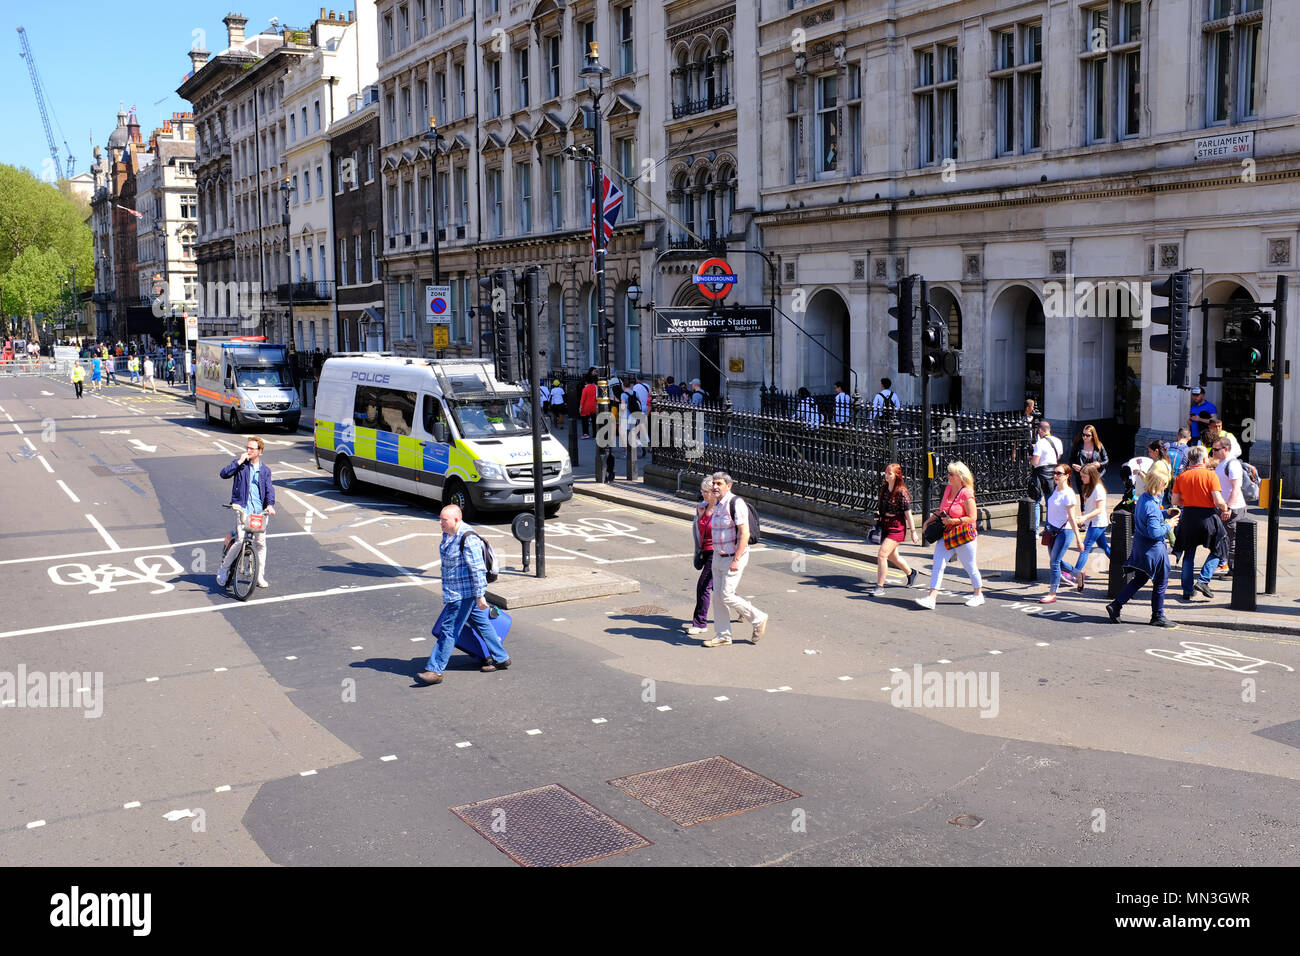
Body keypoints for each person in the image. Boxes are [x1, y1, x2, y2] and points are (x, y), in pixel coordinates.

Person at [417, 505, 511, 684]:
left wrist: (480, 595)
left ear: (456, 519)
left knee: (449, 630)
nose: (440, 522)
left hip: (462, 594)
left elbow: (478, 570)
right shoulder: (448, 534)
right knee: (482, 624)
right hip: (456, 591)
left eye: (444, 519)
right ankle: (501, 657)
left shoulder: (468, 539)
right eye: (440, 518)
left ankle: (435, 670)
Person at [1105, 463, 1176, 627]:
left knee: (1140, 579)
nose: (1165, 488)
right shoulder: (1151, 505)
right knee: (1161, 582)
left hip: (1141, 547)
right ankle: (1157, 616)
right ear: (1158, 485)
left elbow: (1149, 517)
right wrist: (1169, 525)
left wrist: (1165, 513)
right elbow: (1155, 532)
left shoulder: (1143, 498)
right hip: (1154, 550)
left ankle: (1116, 605)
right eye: (1164, 485)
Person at [703, 472, 769, 647]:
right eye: (714, 483)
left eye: (719, 483)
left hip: (733, 557)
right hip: (718, 556)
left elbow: (744, 533)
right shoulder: (717, 504)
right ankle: (723, 635)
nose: (715, 487)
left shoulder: (736, 503)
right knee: (718, 597)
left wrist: (736, 559)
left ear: (728, 486)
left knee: (726, 595)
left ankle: (758, 618)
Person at [916, 462, 985, 609]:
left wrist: (953, 521)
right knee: (937, 565)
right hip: (946, 534)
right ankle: (931, 598)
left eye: (951, 474)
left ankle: (978, 594)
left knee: (970, 567)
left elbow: (973, 518)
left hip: (963, 536)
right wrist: (928, 521)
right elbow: (942, 511)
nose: (947, 476)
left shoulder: (967, 493)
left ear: (960, 477)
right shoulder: (948, 489)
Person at [1171, 445, 1231, 601]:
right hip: (1207, 516)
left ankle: (1187, 590)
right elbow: (1218, 500)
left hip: (1188, 517)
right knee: (1220, 546)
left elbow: (1175, 501)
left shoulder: (1181, 476)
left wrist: (1189, 501)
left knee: (1188, 553)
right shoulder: (1210, 475)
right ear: (1204, 459)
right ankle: (1204, 580)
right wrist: (1226, 508)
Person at [216, 437, 276, 590]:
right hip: (243, 509)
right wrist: (238, 462)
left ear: (259, 451)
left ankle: (259, 575)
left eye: (252, 449)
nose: (248, 451)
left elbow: (269, 490)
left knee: (260, 544)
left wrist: (270, 505)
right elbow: (224, 474)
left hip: (259, 512)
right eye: (247, 447)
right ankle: (223, 569)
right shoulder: (241, 465)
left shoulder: (265, 471)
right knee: (240, 540)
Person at [1040, 463, 1086, 602]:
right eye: (1054, 473)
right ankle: (1078, 574)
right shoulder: (1056, 489)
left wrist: (1079, 539)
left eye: (1059, 473)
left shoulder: (1069, 494)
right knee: (1056, 561)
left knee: (1054, 563)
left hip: (1064, 532)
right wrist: (1046, 527)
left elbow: (1072, 518)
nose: (1055, 476)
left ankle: (1052, 593)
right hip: (1051, 530)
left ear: (1067, 475)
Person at [872, 463, 919, 596]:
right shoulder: (884, 488)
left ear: (897, 475)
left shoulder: (901, 492)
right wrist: (879, 514)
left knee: (882, 555)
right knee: (893, 556)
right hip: (885, 524)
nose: (886, 475)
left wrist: (913, 532)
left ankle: (880, 586)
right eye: (886, 473)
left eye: (889, 473)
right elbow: (882, 506)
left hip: (897, 527)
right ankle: (911, 573)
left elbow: (908, 514)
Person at [1061, 463, 1110, 586]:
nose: (1082, 479)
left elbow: (1099, 509)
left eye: (1084, 476)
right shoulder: (1090, 486)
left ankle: (1075, 574)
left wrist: (1084, 517)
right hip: (1094, 522)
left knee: (1085, 548)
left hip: (1098, 523)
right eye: (1081, 476)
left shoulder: (1098, 489)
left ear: (1091, 476)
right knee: (1104, 547)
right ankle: (1123, 565)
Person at [684, 476, 718, 636]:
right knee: (720, 588)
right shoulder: (702, 507)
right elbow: (699, 530)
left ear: (714, 492)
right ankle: (745, 609)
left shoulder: (721, 510)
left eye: (706, 491)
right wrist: (700, 515)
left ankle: (699, 623)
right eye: (702, 491)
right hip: (705, 551)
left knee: (703, 586)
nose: (703, 494)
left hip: (717, 552)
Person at [1211, 436, 1247, 577]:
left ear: (1226, 449)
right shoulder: (1221, 463)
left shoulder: (1232, 464)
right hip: (1223, 507)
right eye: (1213, 449)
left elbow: (1236, 488)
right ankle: (1225, 564)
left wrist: (1229, 508)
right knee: (1224, 538)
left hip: (1233, 508)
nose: (1213, 452)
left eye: (1216, 449)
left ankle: (1233, 571)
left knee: (1233, 540)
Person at [1029, 420, 1063, 532]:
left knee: (1037, 501)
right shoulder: (1058, 441)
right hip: (1053, 473)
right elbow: (1058, 457)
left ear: (1040, 430)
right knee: (1050, 502)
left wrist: (1030, 458)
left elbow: (1035, 462)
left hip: (1040, 473)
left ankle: (1035, 530)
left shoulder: (1040, 443)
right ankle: (1048, 529)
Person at [1069, 424, 1109, 496]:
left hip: (1094, 476)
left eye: (1087, 435)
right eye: (1083, 434)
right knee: (1083, 497)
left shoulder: (1098, 445)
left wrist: (1099, 464)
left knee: (1095, 496)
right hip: (1081, 476)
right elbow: (1071, 459)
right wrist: (1073, 465)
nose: (1084, 437)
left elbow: (1106, 460)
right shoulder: (1078, 445)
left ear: (1093, 436)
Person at [579, 374, 597, 438]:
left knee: (584, 421)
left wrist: (580, 407)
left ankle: (586, 434)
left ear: (586, 382)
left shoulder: (585, 389)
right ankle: (595, 434)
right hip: (594, 406)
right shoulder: (596, 387)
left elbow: (582, 399)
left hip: (586, 407)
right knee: (594, 421)